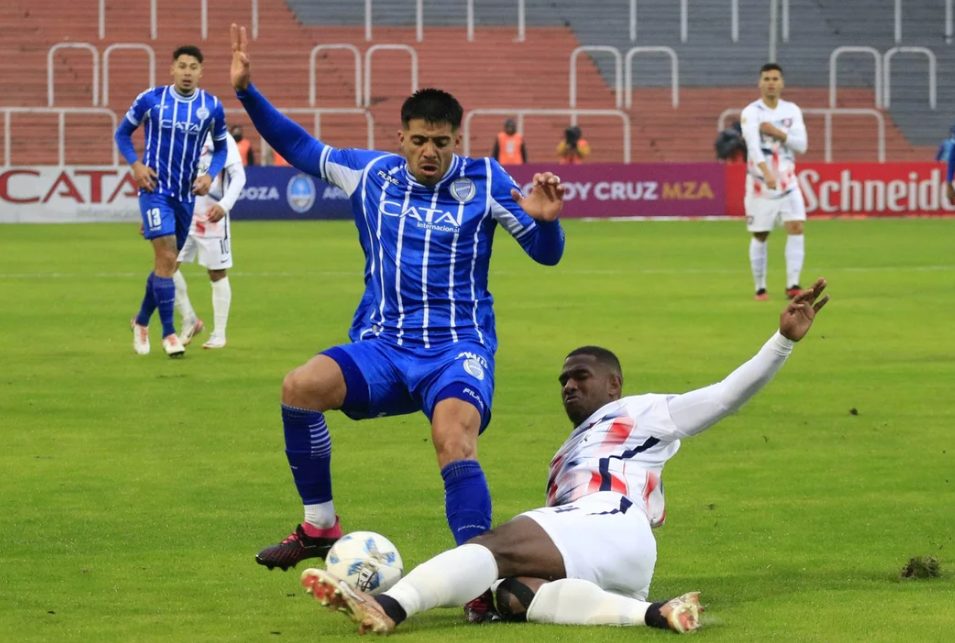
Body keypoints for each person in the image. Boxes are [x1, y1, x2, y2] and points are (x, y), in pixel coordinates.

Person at [229, 23, 566, 612]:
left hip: (457, 347)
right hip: (383, 346)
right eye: (419, 140)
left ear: (457, 140)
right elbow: (301, 147)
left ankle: (478, 582)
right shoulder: (372, 174)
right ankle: (319, 527)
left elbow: (546, 255)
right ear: (401, 138)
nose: (430, 151)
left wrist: (546, 221)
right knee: (300, 387)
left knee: (454, 440)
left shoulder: (488, 180)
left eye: (441, 141)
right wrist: (248, 94)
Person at [299, 279, 831, 635]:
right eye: (562, 381)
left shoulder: (642, 411)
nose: (568, 386)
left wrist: (781, 342)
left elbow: (723, 396)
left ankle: (387, 608)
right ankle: (656, 613)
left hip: (611, 519)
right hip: (618, 556)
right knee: (513, 593)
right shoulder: (565, 458)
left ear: (614, 383)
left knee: (497, 544)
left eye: (580, 377)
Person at [115, 45, 229, 357]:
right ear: (172, 69)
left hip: (185, 195)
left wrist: (210, 176)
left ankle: (141, 321)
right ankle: (169, 334)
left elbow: (221, 149)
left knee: (165, 263)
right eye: (182, 66)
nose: (187, 72)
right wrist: (136, 165)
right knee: (166, 255)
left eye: (193, 67)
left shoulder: (212, 107)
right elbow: (122, 134)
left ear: (201, 72)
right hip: (154, 190)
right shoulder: (151, 99)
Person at [172, 130, 246, 349]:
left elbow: (239, 176)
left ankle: (219, 335)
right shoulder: (181, 134)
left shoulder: (221, 138)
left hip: (211, 216)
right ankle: (190, 319)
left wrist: (224, 205)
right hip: (184, 214)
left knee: (216, 273)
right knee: (166, 267)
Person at [740, 63, 808, 302]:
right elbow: (752, 146)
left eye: (775, 78)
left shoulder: (792, 110)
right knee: (760, 234)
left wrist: (778, 133)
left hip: (788, 181)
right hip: (760, 183)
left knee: (797, 226)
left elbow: (802, 145)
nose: (771, 82)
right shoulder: (751, 112)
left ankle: (793, 285)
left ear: (782, 83)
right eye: (766, 78)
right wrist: (766, 172)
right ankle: (760, 287)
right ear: (760, 83)